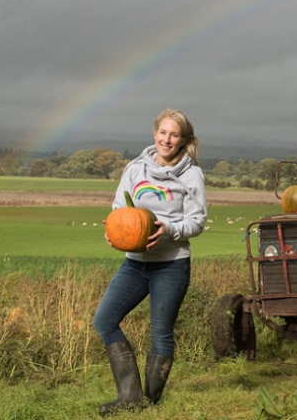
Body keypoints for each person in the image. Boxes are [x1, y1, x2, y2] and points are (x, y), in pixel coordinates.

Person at [93, 108, 206, 416]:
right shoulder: (135, 169)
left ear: (183, 140)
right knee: (104, 320)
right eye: (163, 132)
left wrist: (169, 229)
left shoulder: (191, 174)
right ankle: (129, 395)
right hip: (135, 263)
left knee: (160, 331)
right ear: (154, 133)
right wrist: (114, 232)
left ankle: (149, 401)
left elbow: (197, 222)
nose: (166, 139)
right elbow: (120, 208)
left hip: (171, 263)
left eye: (174, 134)